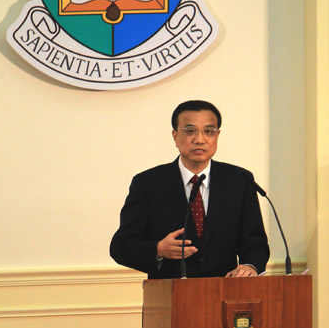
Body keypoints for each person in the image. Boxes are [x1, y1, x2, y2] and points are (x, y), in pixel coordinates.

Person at [110, 100, 269, 279]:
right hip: (169, 298)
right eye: (190, 131)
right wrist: (158, 250)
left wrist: (250, 265)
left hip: (226, 296)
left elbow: (255, 242)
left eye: (209, 131)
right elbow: (120, 246)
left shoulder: (239, 180)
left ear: (217, 135)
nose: (200, 140)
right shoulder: (148, 183)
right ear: (175, 135)